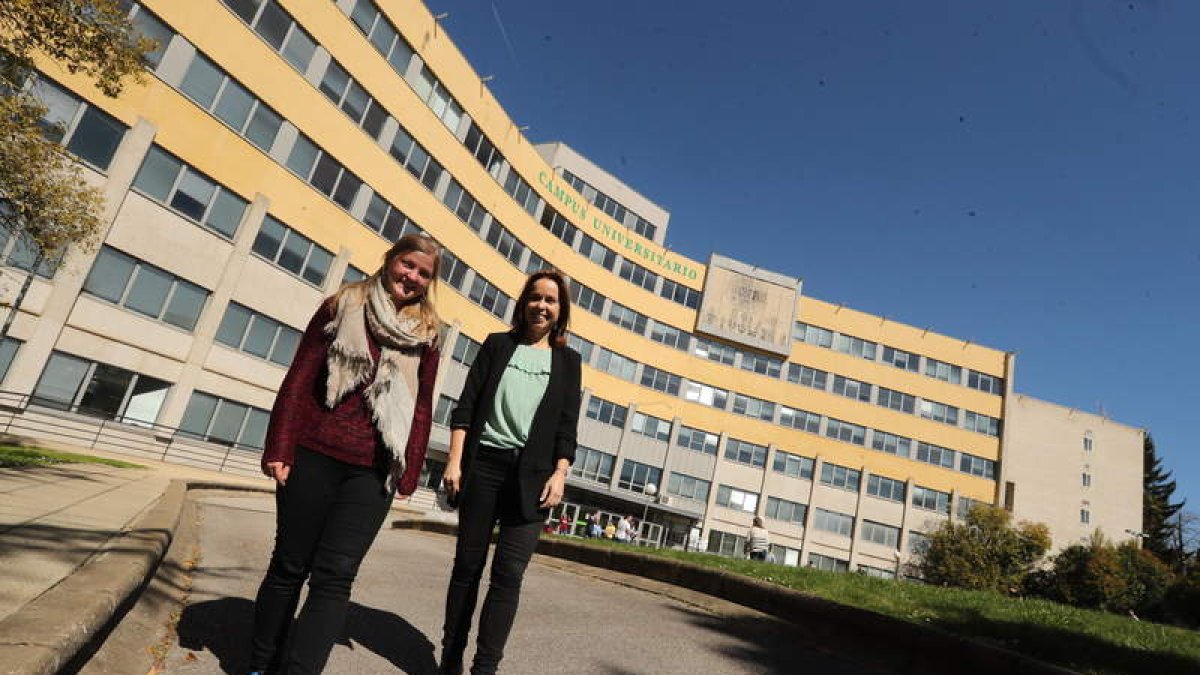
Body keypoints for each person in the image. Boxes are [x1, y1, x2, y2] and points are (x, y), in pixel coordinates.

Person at [247, 234, 444, 675]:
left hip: (372, 472)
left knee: (335, 578)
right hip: (313, 453)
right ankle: (260, 664)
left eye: (423, 273)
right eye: (407, 265)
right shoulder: (344, 304)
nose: (411, 277)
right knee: (289, 565)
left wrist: (408, 469)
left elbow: (423, 404)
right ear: (391, 260)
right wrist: (280, 444)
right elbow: (301, 375)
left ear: (430, 283)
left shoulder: (427, 335)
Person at [438, 269, 582, 675]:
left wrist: (560, 473)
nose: (542, 306)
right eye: (535, 297)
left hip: (534, 479)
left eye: (551, 300)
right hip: (483, 467)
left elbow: (567, 426)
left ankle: (485, 667)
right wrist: (454, 460)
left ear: (560, 310)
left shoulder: (568, 362)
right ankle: (450, 659)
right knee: (467, 568)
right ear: (524, 303)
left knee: (507, 575)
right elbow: (466, 405)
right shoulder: (497, 345)